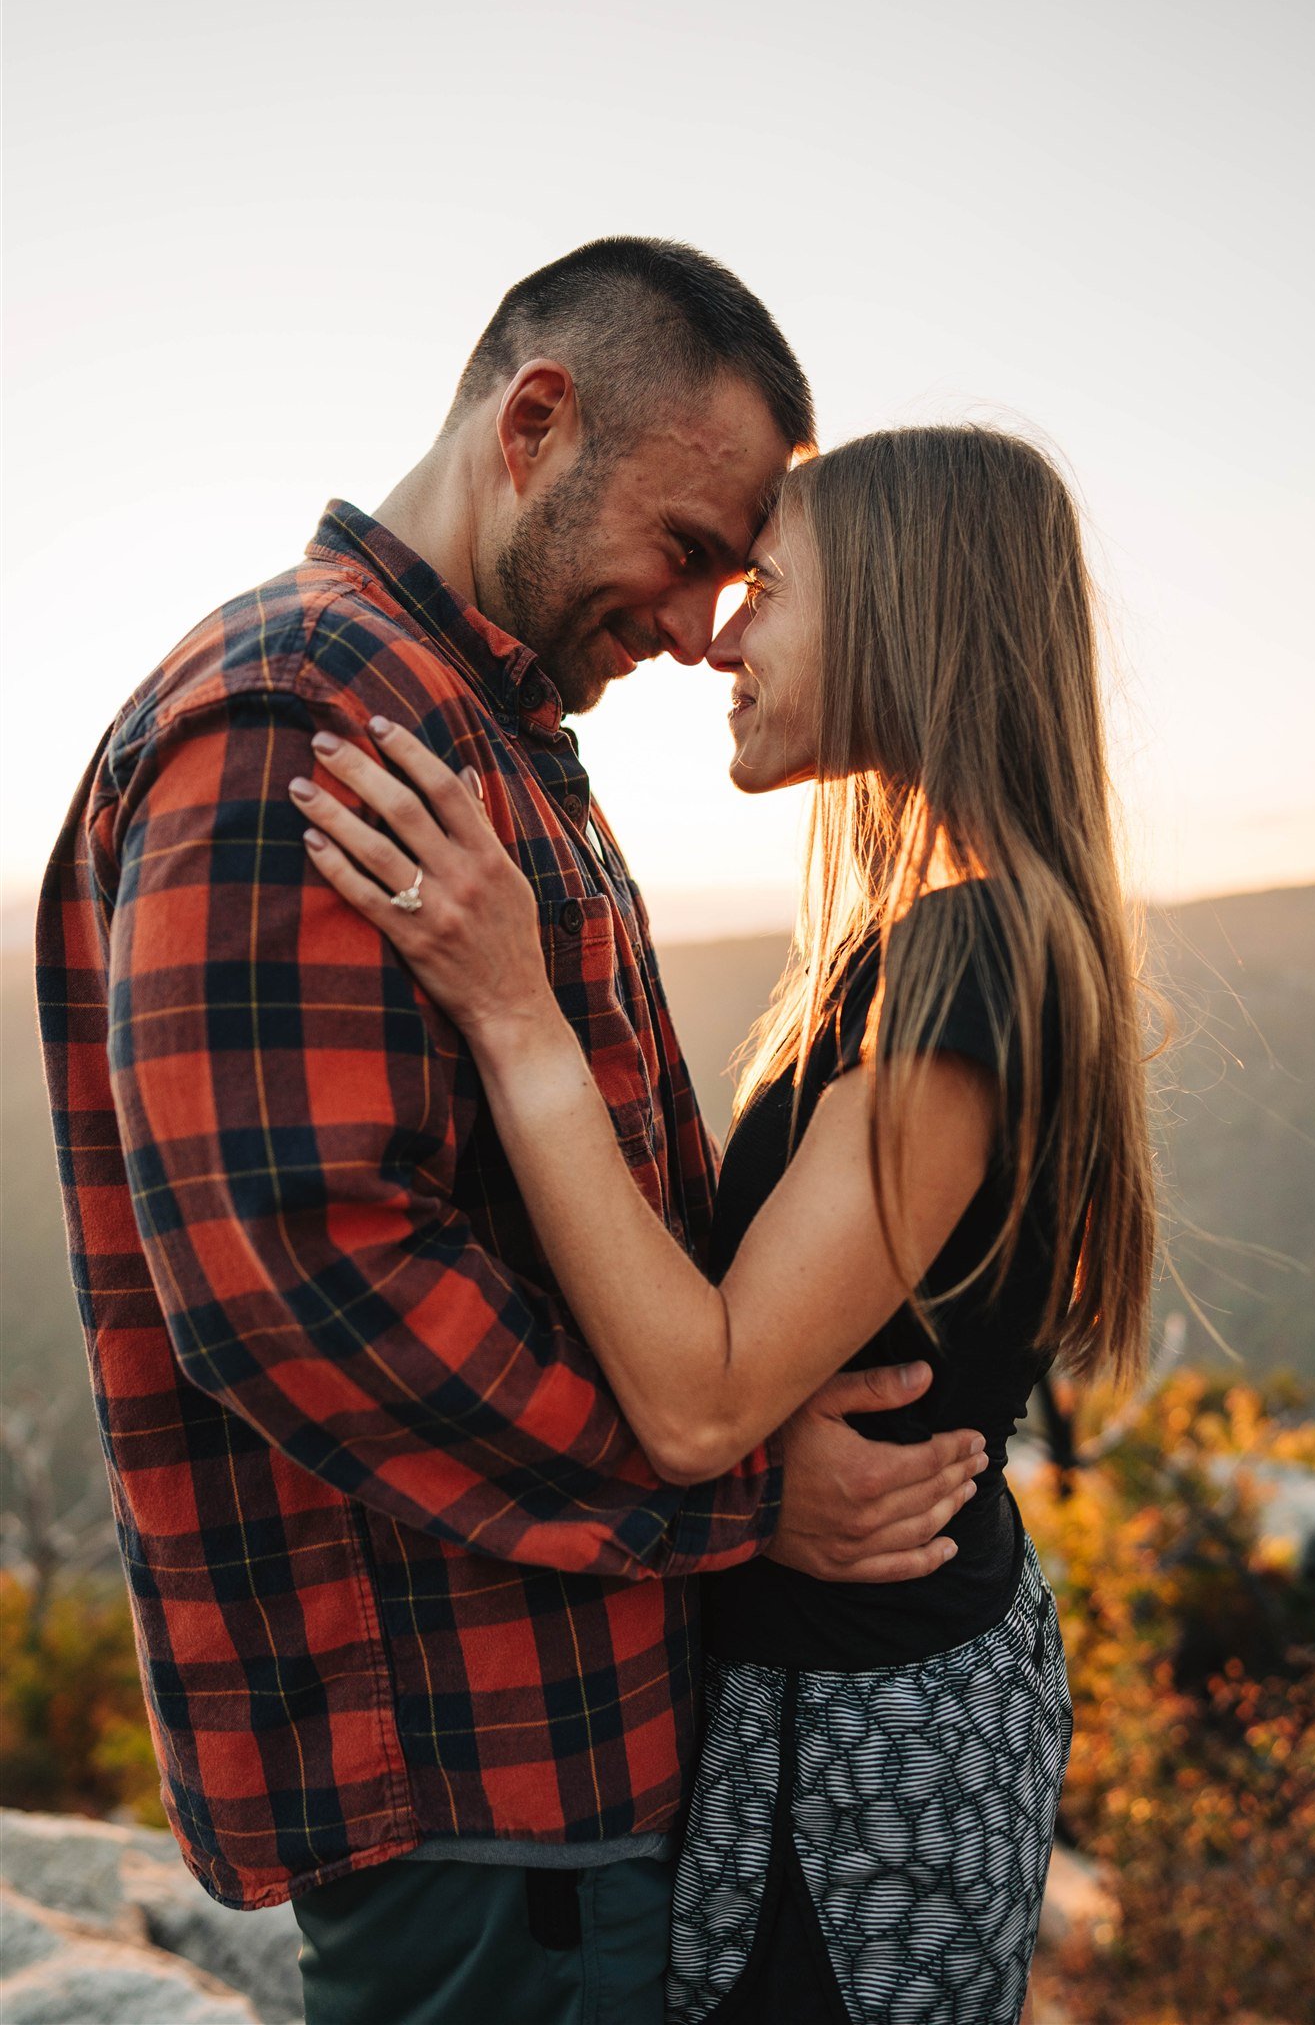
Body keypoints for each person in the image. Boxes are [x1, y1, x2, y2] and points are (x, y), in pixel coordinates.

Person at [34, 240, 985, 2025]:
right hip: (471, 1776)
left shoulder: (472, 714)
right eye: (688, 551)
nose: (701, 622)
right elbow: (306, 1287)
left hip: (562, 1749)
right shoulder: (300, 717)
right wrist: (738, 1500)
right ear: (535, 424)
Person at [291, 423, 1157, 2024]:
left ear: (905, 616)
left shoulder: (973, 960)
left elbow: (701, 1397)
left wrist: (512, 1010)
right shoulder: (950, 936)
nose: (722, 637)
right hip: (848, 1684)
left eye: (770, 586)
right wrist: (767, 1496)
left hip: (858, 1735)